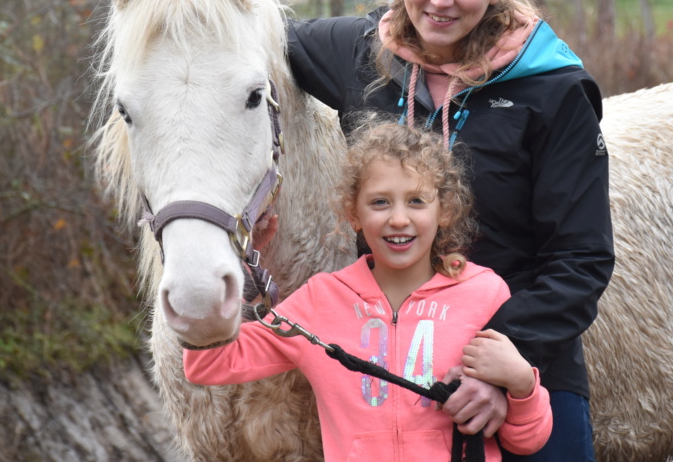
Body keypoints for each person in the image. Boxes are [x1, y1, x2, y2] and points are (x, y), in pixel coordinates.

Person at [285, 0, 614, 460]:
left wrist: (503, 367)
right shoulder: (360, 56)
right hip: (395, 384)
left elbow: (581, 258)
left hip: (522, 370)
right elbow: (250, 37)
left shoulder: (553, 89)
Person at [183, 121, 552, 461]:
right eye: (379, 202)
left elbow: (527, 440)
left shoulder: (484, 293)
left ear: (445, 210)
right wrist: (239, 267)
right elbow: (208, 363)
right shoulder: (321, 300)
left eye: (417, 201)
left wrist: (521, 384)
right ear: (353, 213)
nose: (398, 218)